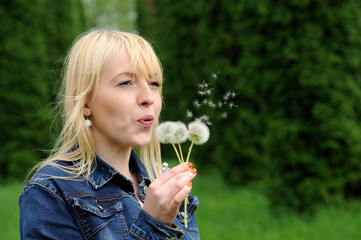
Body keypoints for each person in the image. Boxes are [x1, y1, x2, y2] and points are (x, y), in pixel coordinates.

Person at [19, 29, 199, 240]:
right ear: (86, 102)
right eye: (126, 82)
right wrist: (153, 224)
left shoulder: (164, 189)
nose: (148, 97)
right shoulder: (50, 193)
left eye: (154, 83)